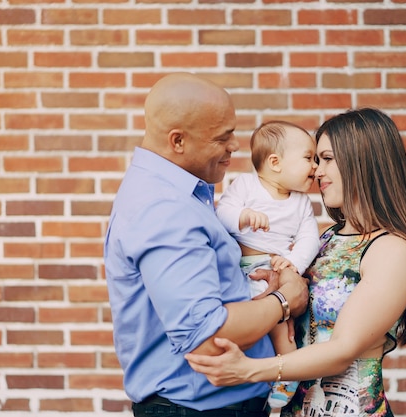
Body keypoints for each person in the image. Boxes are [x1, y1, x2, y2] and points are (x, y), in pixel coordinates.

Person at [185, 107, 406, 417]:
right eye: (315, 160)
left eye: (327, 159)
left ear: (363, 160)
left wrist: (249, 370)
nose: (316, 171)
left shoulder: (391, 249)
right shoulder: (327, 239)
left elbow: (342, 351)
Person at [104, 72, 309, 417]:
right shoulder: (164, 208)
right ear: (178, 141)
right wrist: (285, 300)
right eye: (222, 137)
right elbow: (208, 336)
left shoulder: (176, 194)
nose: (234, 146)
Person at [216, 120, 320, 408]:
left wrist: (292, 263)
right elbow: (222, 212)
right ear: (275, 162)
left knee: (280, 328)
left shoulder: (300, 203)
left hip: (276, 270)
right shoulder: (246, 185)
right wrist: (243, 215)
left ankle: (287, 377)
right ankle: (234, 366)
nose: (315, 167)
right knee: (239, 319)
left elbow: (310, 238)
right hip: (242, 269)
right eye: (308, 158)